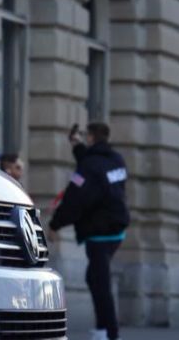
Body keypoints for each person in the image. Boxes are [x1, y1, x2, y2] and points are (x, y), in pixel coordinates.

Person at [50, 123, 129, 340]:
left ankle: (109, 332)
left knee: (99, 280)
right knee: (94, 277)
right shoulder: (116, 160)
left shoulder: (89, 166)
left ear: (92, 137)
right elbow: (95, 169)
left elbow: (75, 198)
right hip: (116, 229)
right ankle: (104, 329)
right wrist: (77, 146)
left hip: (98, 231)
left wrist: (55, 224)